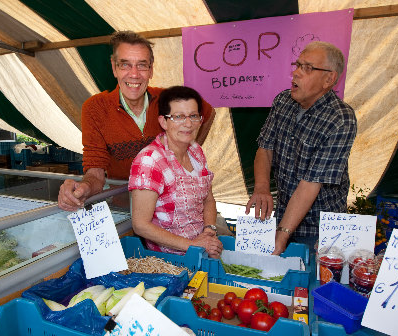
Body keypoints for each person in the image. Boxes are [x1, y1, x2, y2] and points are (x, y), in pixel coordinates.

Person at [58, 31, 215, 211]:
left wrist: (188, 149)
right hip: (125, 208)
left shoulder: (169, 100)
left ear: (151, 69)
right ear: (114, 67)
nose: (134, 74)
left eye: (142, 65)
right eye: (125, 65)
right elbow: (96, 171)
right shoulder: (95, 108)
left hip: (173, 207)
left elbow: (208, 112)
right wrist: (83, 188)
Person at [245, 41, 357, 255]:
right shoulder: (283, 101)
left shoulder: (340, 119)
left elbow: (310, 184)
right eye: (297, 65)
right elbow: (265, 149)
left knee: (308, 279)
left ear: (329, 79)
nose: (295, 73)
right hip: (283, 213)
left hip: (318, 227)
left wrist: (282, 235)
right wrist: (261, 188)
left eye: (307, 68)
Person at [128, 86, 223, 258]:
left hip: (201, 248)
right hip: (168, 259)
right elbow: (140, 225)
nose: (188, 124)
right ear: (163, 122)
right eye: (178, 117)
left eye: (194, 116)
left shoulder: (196, 151)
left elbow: (208, 199)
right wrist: (192, 245)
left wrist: (210, 230)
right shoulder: (150, 160)